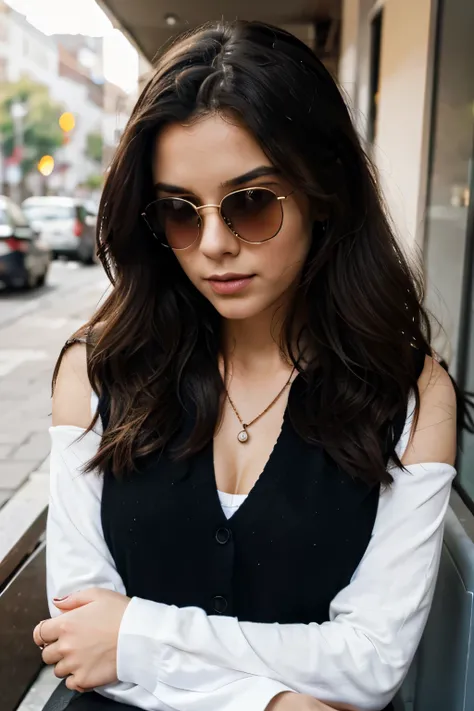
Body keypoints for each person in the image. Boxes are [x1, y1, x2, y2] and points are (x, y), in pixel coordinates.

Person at [33, 19, 464, 711]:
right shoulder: (96, 370)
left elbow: (371, 661)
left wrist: (138, 633)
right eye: (178, 211)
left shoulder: (410, 395)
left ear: (323, 192)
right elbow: (77, 634)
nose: (212, 245)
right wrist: (274, 704)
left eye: (252, 203)